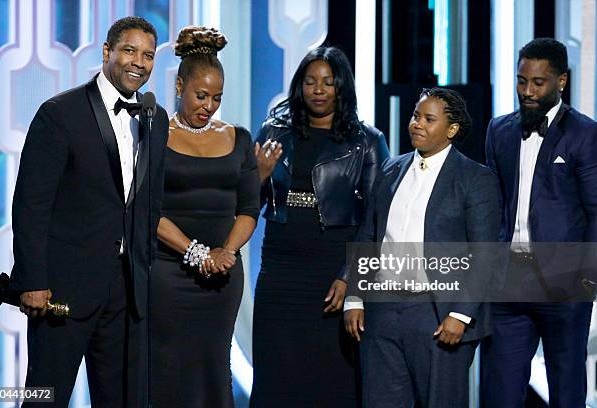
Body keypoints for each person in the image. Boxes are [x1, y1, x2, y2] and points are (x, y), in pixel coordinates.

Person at [9, 17, 168, 407]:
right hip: (61, 289)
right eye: (130, 50)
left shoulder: (155, 119)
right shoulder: (60, 113)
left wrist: (145, 276)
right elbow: (31, 205)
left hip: (125, 294)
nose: (139, 62)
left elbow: (148, 204)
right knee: (44, 397)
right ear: (106, 52)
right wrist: (32, 279)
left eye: (148, 55)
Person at [250, 46, 389, 407]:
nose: (318, 89)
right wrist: (257, 178)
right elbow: (247, 205)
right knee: (276, 373)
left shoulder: (367, 141)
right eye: (311, 81)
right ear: (300, 86)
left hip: (332, 270)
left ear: (341, 87)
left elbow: (377, 219)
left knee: (331, 376)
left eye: (328, 82)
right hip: (280, 270)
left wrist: (350, 276)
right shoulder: (273, 131)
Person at [344, 88, 500, 407]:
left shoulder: (474, 178)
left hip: (437, 313)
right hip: (382, 311)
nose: (418, 124)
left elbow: (485, 254)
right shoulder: (391, 170)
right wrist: (355, 296)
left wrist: (461, 314)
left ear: (452, 129)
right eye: (416, 116)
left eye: (429, 119)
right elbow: (369, 236)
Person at [480, 37, 597, 408]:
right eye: (521, 81)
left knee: (566, 392)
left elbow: (596, 210)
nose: (527, 91)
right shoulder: (499, 131)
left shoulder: (585, 133)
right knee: (501, 392)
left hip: (564, 284)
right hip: (508, 283)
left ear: (561, 82)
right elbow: (492, 205)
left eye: (537, 83)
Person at [150, 26, 260, 408]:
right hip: (166, 272)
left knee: (214, 364)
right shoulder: (154, 133)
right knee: (167, 364)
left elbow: (248, 209)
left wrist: (226, 252)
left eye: (216, 98)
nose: (208, 106)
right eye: (201, 95)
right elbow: (148, 210)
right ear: (180, 85)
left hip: (222, 275)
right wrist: (197, 254)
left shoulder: (239, 138)